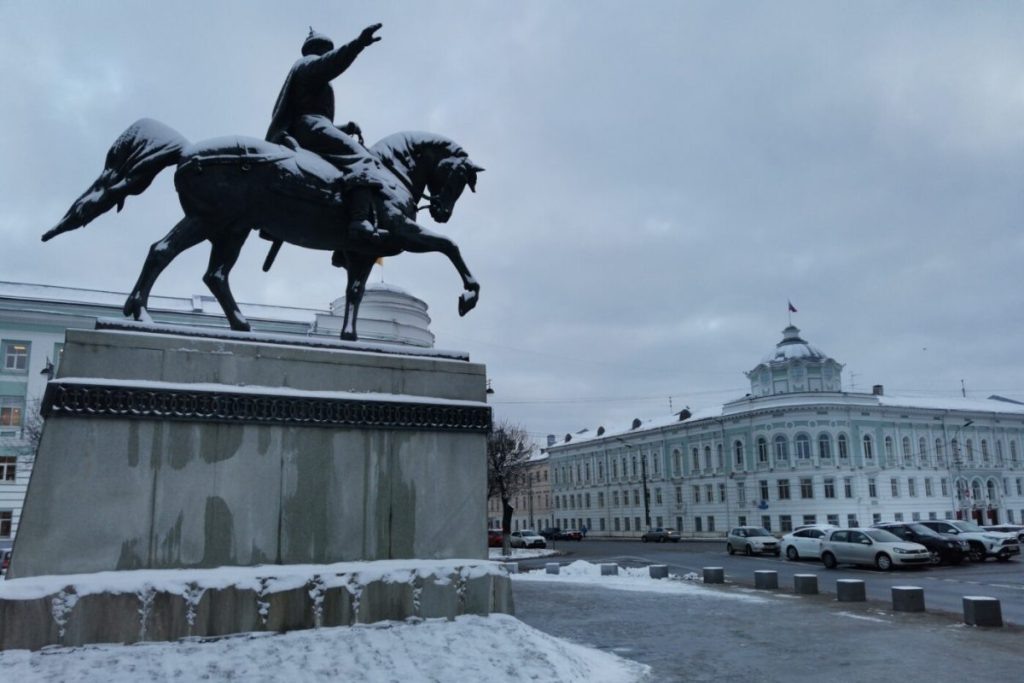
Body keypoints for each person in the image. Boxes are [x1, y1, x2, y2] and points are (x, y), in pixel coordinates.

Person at [266, 24, 386, 241]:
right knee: (363, 158)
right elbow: (332, 64)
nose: (329, 53)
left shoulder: (304, 69)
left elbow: (316, 118)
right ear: (320, 49)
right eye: (327, 50)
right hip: (309, 127)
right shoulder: (308, 63)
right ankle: (359, 220)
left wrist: (345, 128)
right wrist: (358, 44)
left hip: (309, 127)